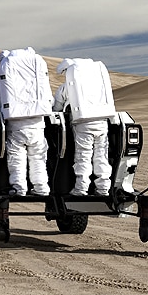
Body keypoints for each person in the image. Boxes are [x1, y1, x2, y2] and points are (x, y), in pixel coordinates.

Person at [0, 47, 53, 196]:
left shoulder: (4, 83)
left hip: (17, 126)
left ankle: (19, 189)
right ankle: (41, 187)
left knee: (17, 159)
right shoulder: (38, 79)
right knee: (38, 158)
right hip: (38, 126)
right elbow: (50, 100)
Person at [53, 58, 116, 196]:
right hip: (102, 123)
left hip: (83, 125)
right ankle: (103, 188)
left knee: (83, 157)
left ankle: (81, 189)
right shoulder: (98, 87)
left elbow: (57, 108)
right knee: (101, 156)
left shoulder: (67, 87)